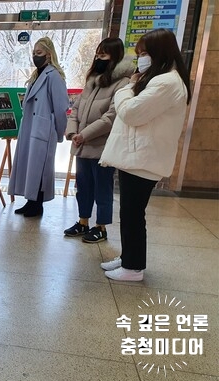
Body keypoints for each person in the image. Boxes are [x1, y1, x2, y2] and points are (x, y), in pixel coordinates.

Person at [98, 29, 191, 281]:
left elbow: (131, 113)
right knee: (129, 213)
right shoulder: (160, 80)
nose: (141, 58)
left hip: (143, 159)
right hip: (138, 158)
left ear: (160, 53)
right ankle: (128, 257)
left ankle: (133, 268)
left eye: (145, 53)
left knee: (133, 214)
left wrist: (126, 88)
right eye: (139, 53)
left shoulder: (167, 83)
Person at [64, 38, 135, 243]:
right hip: (81, 145)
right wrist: (72, 133)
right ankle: (83, 222)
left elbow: (111, 117)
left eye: (103, 55)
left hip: (101, 147)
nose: (98, 58)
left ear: (115, 57)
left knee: (102, 189)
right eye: (98, 54)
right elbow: (75, 109)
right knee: (83, 187)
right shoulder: (93, 79)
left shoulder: (123, 83)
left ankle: (101, 227)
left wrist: (83, 135)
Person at [8, 37, 70, 217]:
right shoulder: (37, 75)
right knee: (31, 167)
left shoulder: (54, 76)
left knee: (40, 169)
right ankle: (30, 202)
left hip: (44, 129)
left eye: (39, 53)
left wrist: (59, 133)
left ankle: (37, 205)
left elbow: (60, 108)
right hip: (32, 128)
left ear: (49, 55)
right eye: (34, 53)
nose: (35, 56)